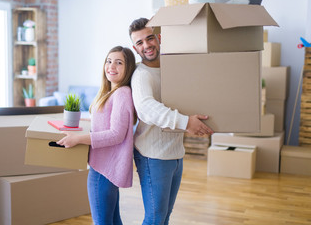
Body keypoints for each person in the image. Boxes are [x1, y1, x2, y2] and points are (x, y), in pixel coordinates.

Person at [129, 17, 214, 225]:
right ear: (135, 48)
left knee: (165, 215)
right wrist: (186, 122)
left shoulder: (172, 68)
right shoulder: (141, 75)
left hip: (175, 153)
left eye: (149, 39)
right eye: (140, 43)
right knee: (156, 218)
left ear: (158, 38)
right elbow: (146, 109)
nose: (146, 45)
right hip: (153, 156)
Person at [57, 46, 136, 225]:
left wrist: (77, 139)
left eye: (119, 62)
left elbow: (116, 134)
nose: (111, 66)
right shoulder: (111, 92)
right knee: (113, 220)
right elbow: (103, 126)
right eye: (108, 61)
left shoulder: (122, 93)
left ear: (128, 68)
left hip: (104, 169)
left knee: (102, 221)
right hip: (105, 167)